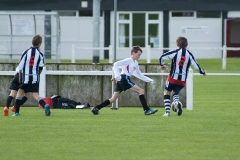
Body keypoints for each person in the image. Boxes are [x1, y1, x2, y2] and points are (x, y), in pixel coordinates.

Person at [91, 45, 158, 115]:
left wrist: (149, 80)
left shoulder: (135, 63)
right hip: (124, 78)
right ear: (133, 53)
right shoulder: (128, 60)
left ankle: (96, 108)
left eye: (140, 55)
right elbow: (116, 64)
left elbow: (139, 74)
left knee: (113, 99)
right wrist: (117, 75)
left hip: (122, 79)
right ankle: (147, 110)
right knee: (141, 91)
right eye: (138, 55)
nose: (139, 56)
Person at [159, 36, 206, 117]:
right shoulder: (189, 54)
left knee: (167, 92)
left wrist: (162, 64)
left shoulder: (175, 52)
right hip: (182, 80)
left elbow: (162, 57)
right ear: (186, 44)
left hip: (173, 77)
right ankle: (177, 103)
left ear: (177, 44)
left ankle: (167, 112)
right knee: (175, 92)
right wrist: (203, 72)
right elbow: (196, 66)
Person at [12, 34, 51, 116]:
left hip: (25, 77)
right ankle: (45, 105)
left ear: (32, 43)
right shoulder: (40, 54)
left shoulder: (26, 52)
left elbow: (20, 67)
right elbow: (41, 68)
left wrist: (20, 77)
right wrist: (36, 75)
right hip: (35, 77)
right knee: (35, 95)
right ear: (39, 44)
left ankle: (17, 112)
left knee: (20, 92)